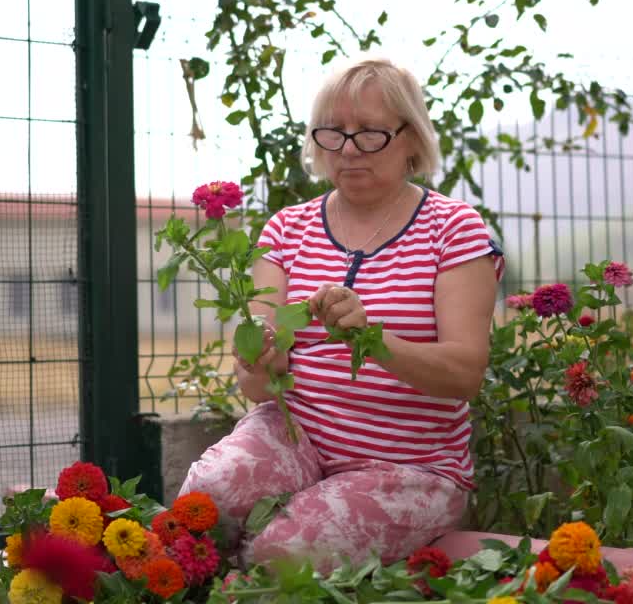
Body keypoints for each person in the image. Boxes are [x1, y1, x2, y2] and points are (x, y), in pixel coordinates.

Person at [178, 58, 503, 571]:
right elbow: (261, 388)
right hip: (297, 437)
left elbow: (464, 374)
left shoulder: (453, 229)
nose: (349, 149)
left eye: (370, 132)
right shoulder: (289, 230)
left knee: (282, 552)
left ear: (412, 139)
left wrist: (371, 337)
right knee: (204, 502)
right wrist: (263, 356)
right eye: (333, 133)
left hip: (411, 467)